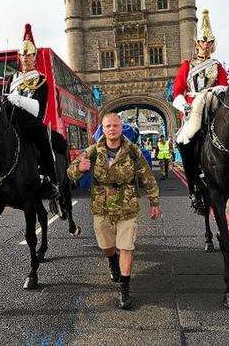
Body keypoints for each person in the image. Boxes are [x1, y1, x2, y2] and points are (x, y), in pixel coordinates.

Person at [67, 113, 160, 310]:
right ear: (103, 128)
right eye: (108, 126)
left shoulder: (133, 151)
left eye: (115, 126)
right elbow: (71, 171)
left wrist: (154, 202)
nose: (112, 129)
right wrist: (80, 169)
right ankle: (112, 260)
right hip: (101, 207)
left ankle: (124, 289)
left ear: (121, 128)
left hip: (127, 206)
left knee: (126, 246)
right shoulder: (93, 151)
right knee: (107, 246)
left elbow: (147, 177)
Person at [172, 9, 228, 213]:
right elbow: (177, 91)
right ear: (197, 45)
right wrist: (184, 105)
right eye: (202, 43)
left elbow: (224, 86)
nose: (205, 46)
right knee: (185, 138)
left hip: (213, 104)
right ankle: (193, 184)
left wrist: (215, 92)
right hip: (193, 106)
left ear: (212, 45)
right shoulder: (187, 65)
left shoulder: (217, 65)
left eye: (209, 43)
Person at [2, 23, 58, 199]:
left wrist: (16, 99)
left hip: (29, 122)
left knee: (43, 138)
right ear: (19, 57)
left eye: (29, 56)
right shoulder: (12, 78)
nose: (25, 59)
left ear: (35, 57)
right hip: (10, 120)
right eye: (22, 55)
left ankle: (51, 179)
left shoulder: (41, 79)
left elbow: (37, 108)